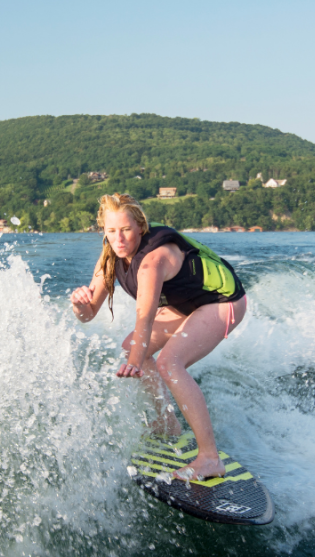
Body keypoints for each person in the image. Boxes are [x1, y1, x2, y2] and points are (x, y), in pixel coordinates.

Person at [69, 193, 247, 481]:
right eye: (112, 231)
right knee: (131, 347)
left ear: (140, 226)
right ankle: (168, 422)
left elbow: (146, 316)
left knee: (169, 362)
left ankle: (210, 458)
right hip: (184, 305)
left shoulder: (153, 262)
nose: (120, 239)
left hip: (221, 301)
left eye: (126, 230)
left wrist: (136, 362)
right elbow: (88, 315)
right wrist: (79, 304)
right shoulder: (110, 258)